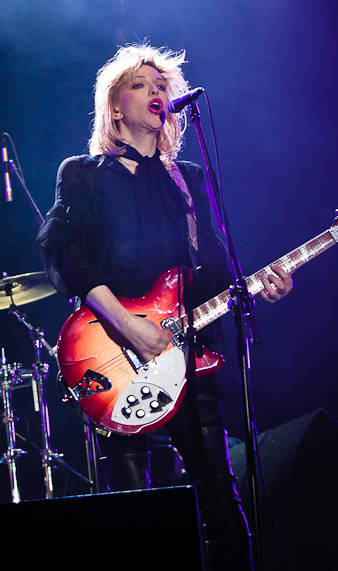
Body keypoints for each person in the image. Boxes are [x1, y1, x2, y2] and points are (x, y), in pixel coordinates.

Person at [37, 43, 293, 571]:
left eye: (161, 86)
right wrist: (130, 327)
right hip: (111, 349)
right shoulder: (82, 173)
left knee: (221, 499)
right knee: (136, 515)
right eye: (141, 84)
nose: (157, 92)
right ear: (114, 105)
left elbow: (217, 267)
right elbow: (68, 256)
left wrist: (262, 285)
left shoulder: (188, 178)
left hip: (189, 352)